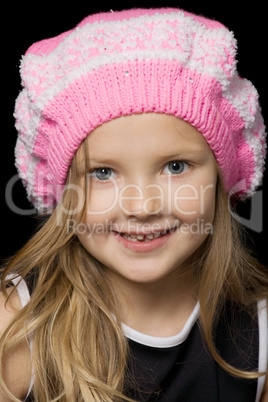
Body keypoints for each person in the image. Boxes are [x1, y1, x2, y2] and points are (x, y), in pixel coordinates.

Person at [0, 7, 267, 402]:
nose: (142, 206)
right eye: (103, 173)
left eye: (176, 167)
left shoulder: (259, 331)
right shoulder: (17, 326)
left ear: (221, 178)